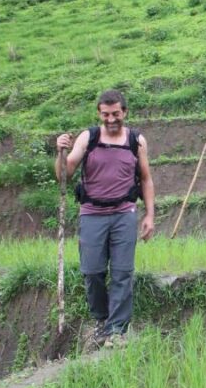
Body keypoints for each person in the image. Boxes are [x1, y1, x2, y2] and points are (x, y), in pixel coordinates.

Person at [55, 89, 155, 349]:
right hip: (92, 214)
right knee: (93, 272)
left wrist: (149, 215)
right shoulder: (88, 138)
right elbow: (64, 173)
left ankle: (117, 330)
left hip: (124, 213)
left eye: (116, 114)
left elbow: (146, 179)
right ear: (99, 114)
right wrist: (60, 153)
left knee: (122, 272)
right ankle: (101, 320)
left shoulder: (136, 141)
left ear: (125, 112)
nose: (111, 119)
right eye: (106, 114)